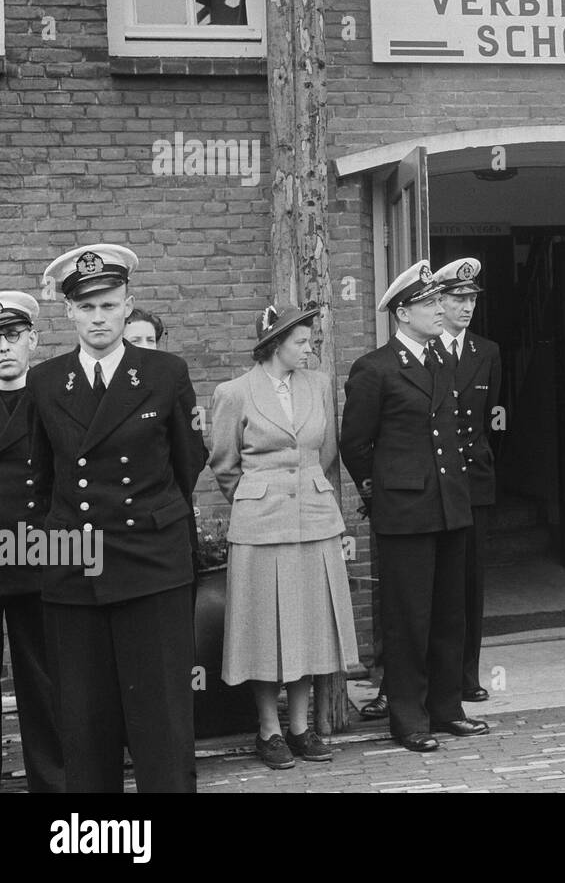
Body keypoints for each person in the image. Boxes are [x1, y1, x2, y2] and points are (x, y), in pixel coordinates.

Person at [27, 244, 208, 792]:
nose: (99, 318)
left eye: (109, 305)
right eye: (87, 308)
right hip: (75, 573)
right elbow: (43, 484)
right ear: (69, 314)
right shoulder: (46, 382)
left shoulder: (163, 372)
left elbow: (187, 463)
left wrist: (153, 523)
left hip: (151, 566)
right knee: (85, 724)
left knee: (162, 723)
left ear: (128, 305)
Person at [339, 260, 487, 752]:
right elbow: (355, 443)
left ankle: (446, 708)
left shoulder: (440, 360)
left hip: (449, 505)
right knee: (409, 618)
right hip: (405, 512)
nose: (440, 312)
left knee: (450, 614)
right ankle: (408, 717)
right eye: (428, 305)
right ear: (403, 313)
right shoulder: (375, 368)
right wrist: (379, 495)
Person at [209, 304, 360, 770]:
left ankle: (300, 728)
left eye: (310, 339)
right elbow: (223, 463)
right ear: (274, 344)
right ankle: (269, 730)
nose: (309, 347)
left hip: (314, 521)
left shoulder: (317, 385)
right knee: (263, 631)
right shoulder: (233, 393)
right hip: (261, 528)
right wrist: (261, 498)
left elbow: (326, 451)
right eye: (301, 341)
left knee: (308, 628)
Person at [0, 292, 62, 792]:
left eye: (13, 336)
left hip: (34, 553)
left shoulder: (52, 397)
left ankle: (54, 782)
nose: (3, 348)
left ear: (33, 340)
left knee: (42, 678)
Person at [431, 258, 500, 703]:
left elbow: (492, 416)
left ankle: (467, 674)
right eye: (458, 298)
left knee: (470, 584)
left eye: (472, 298)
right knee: (435, 583)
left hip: (473, 480)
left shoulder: (486, 352)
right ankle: (424, 676)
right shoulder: (422, 348)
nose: (466, 306)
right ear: (438, 300)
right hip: (434, 483)